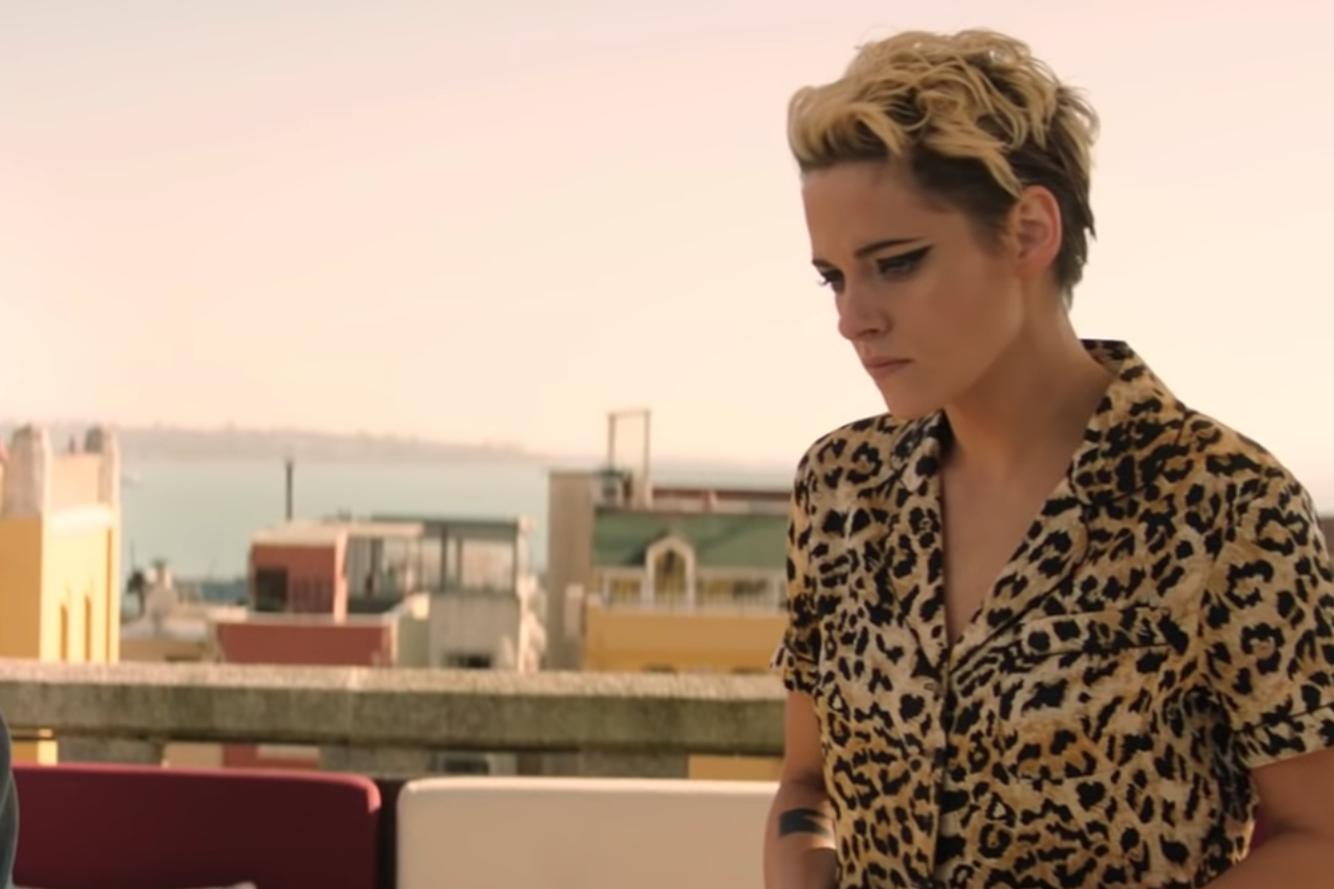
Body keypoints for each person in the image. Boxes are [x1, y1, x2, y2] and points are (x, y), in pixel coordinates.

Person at [763, 28, 1334, 889]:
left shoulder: (1226, 505)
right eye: (834, 277)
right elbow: (808, 784)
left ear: (1029, 231)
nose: (853, 318)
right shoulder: (839, 488)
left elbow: (1320, 837)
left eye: (896, 264)